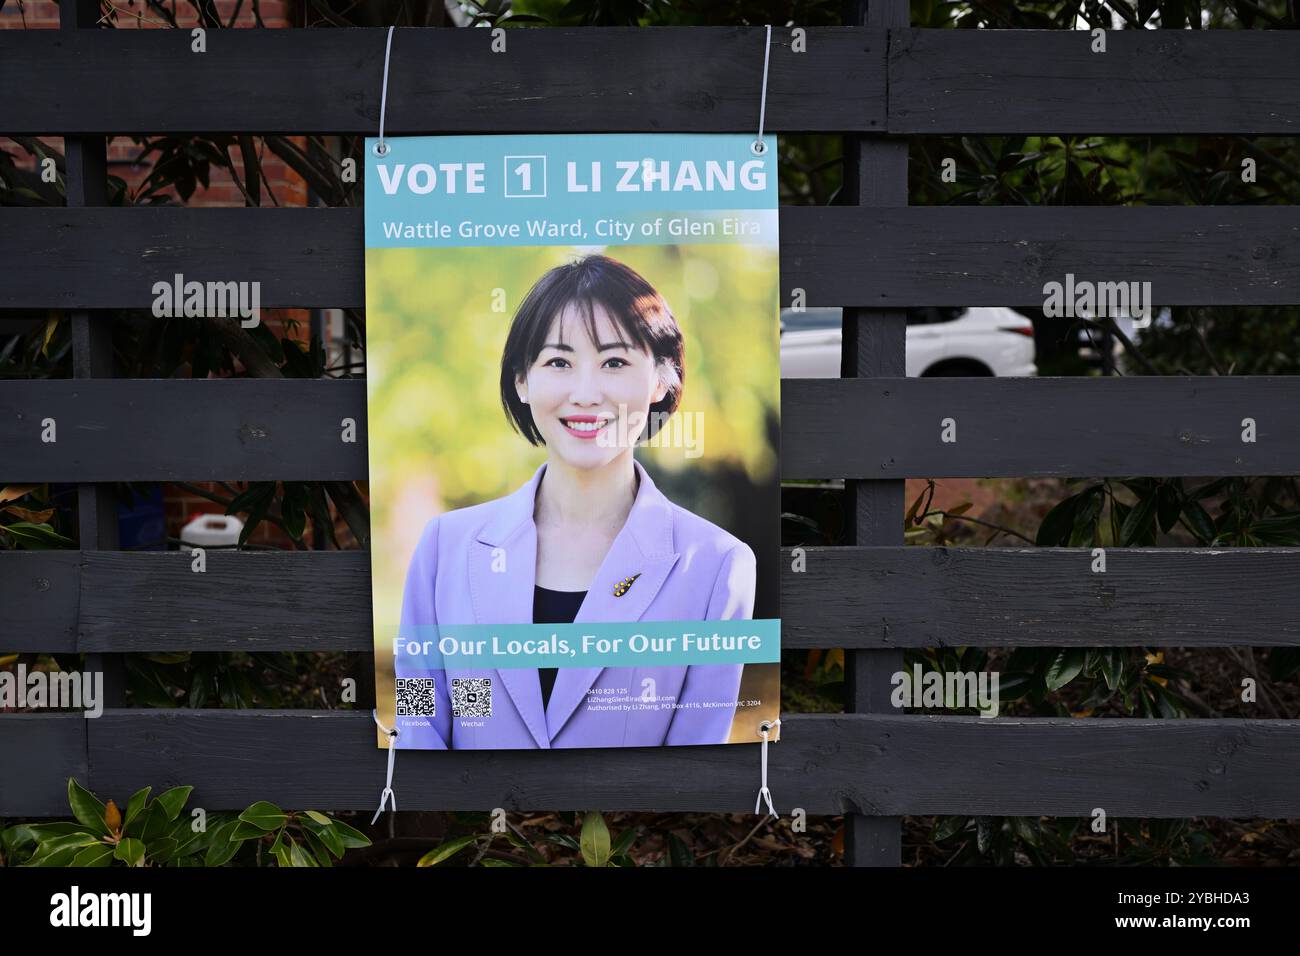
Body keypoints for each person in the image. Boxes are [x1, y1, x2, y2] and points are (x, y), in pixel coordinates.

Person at [393, 254, 755, 749]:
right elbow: (423, 720)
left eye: (615, 362)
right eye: (559, 361)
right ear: (522, 379)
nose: (585, 394)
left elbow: (697, 756)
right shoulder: (444, 549)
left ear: (659, 380)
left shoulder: (718, 567)